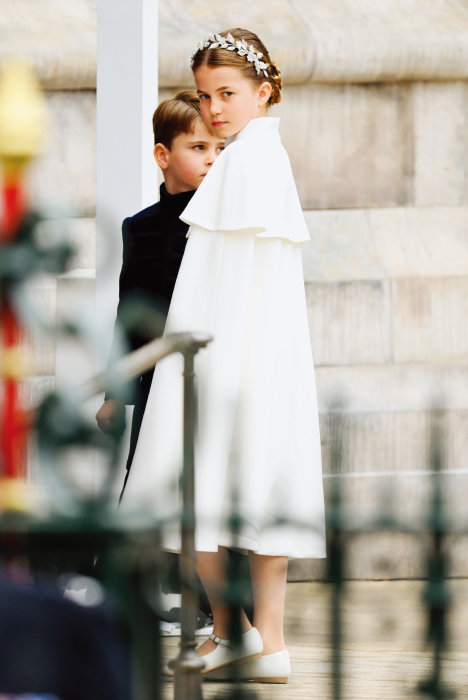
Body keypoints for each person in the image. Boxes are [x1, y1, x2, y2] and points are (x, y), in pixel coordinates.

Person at [121, 29, 326, 683]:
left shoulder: (244, 162)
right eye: (206, 96)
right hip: (260, 353)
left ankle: (241, 634)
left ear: (263, 92)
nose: (213, 109)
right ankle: (265, 641)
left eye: (228, 94)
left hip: (229, 354)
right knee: (258, 489)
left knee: (192, 490)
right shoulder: (263, 157)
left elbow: (226, 285)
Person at [95, 90, 225, 497]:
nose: (212, 159)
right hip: (156, 382)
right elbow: (130, 313)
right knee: (147, 484)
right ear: (162, 155)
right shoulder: (139, 227)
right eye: (199, 147)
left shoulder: (227, 223)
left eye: (220, 149)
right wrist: (115, 394)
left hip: (213, 374)